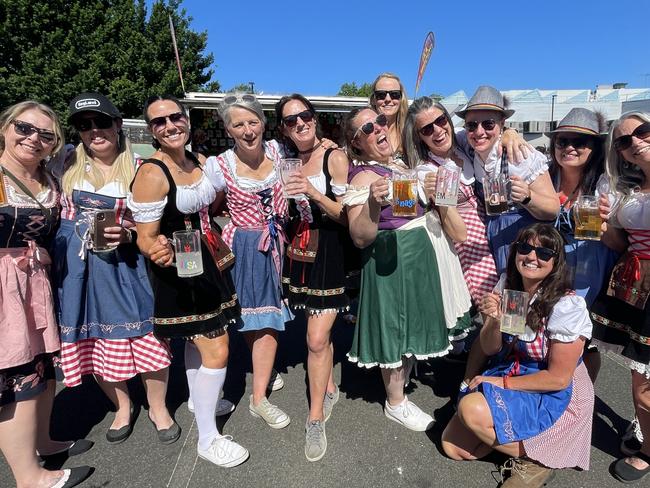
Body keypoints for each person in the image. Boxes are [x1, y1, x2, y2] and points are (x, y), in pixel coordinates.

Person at [129, 94, 248, 468]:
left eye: (174, 117)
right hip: (179, 270)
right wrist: (156, 249)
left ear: (187, 119)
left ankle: (200, 401)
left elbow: (207, 206)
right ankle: (208, 439)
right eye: (158, 122)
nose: (169, 126)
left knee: (199, 345)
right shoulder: (152, 172)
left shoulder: (195, 160)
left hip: (204, 260)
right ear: (151, 131)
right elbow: (144, 236)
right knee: (217, 348)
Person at [54, 92, 178, 446]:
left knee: (145, 339)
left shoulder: (139, 168)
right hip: (77, 272)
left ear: (117, 124)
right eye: (84, 124)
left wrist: (127, 232)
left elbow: (153, 226)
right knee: (94, 342)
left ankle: (157, 407)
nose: (94, 131)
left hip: (124, 267)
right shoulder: (65, 162)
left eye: (101, 122)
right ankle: (122, 406)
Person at [342, 106, 472, 431]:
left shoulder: (399, 164)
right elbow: (359, 237)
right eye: (368, 128)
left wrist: (431, 193)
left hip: (417, 255)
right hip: (391, 260)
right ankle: (395, 402)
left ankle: (400, 387)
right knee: (396, 329)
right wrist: (373, 203)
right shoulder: (363, 176)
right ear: (356, 143)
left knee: (410, 324)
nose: (379, 129)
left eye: (381, 121)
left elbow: (419, 205)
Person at [442, 224, 594, 488]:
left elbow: (558, 379)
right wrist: (492, 321)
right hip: (513, 367)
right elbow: (490, 348)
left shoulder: (567, 306)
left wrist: (499, 384)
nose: (532, 257)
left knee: (470, 410)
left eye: (544, 252)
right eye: (525, 248)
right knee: (454, 448)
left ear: (556, 262)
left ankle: (537, 460)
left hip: (551, 387)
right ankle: (516, 441)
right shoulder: (510, 287)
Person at [0, 101, 92, 488]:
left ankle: (42, 440)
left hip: (37, 282)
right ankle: (29, 477)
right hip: (5, 286)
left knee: (41, 368)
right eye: (24, 128)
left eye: (45, 134)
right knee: (15, 377)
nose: (33, 139)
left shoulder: (48, 177)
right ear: (5, 128)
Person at [274, 94, 353, 461]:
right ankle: (329, 385)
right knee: (315, 333)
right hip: (299, 250)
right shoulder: (287, 159)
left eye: (304, 116)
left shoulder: (333, 156)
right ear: (284, 128)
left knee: (316, 338)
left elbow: (345, 214)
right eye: (291, 120)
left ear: (315, 117)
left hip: (329, 252)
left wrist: (312, 192)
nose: (300, 124)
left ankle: (315, 415)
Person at [207, 93, 291, 432]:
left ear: (263, 123)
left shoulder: (279, 151)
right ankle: (261, 394)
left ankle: (259, 394)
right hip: (243, 245)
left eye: (252, 121)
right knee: (253, 319)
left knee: (266, 320)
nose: (247, 129)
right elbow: (206, 206)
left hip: (279, 242)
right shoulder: (219, 165)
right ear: (229, 129)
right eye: (238, 124)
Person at [590, 111, 650, 483]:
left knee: (644, 383)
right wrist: (604, 226)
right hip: (634, 283)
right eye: (624, 141)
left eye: (642, 132)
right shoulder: (628, 191)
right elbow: (617, 243)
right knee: (640, 377)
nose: (634, 142)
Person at [546, 107, 620, 382]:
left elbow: (618, 243)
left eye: (579, 142)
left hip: (591, 273)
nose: (569, 147)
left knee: (584, 342)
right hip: (553, 272)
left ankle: (583, 397)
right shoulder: (546, 177)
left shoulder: (604, 185)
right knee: (553, 339)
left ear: (595, 148)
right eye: (562, 141)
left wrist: (603, 227)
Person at [403, 96, 499, 306]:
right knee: (492, 313)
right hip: (470, 246)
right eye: (427, 129)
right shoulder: (427, 172)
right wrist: (447, 177)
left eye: (440, 121)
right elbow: (458, 233)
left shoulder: (463, 143)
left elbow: (493, 132)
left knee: (507, 312)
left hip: (493, 234)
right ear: (419, 137)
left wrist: (511, 135)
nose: (437, 130)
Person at [456, 86, 559, 274]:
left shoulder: (521, 155)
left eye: (488, 124)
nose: (479, 132)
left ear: (501, 123)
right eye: (472, 125)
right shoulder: (469, 145)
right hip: (492, 235)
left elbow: (553, 209)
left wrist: (528, 197)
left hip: (523, 239)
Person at [369, 73, 410, 158]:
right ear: (373, 100)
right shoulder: (365, 134)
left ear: (401, 99)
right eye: (381, 95)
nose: (388, 99)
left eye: (394, 94)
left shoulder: (411, 132)